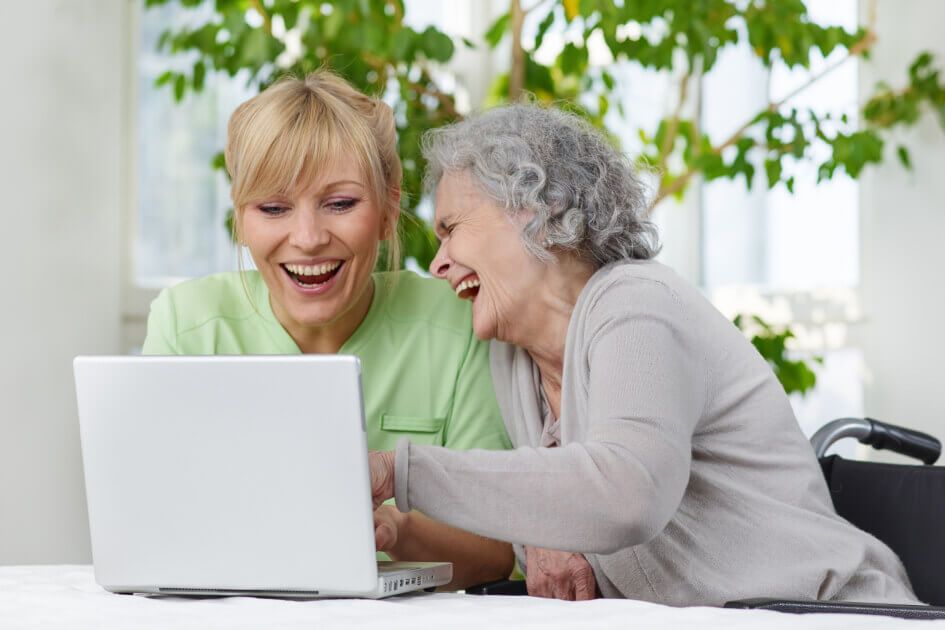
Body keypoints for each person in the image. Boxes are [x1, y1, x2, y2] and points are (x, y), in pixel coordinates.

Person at [368, 103, 919, 605]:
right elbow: (554, 500)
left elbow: (626, 495)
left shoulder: (635, 304)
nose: (437, 264)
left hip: (825, 612)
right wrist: (544, 535)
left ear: (542, 209)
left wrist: (402, 471)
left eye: (451, 229)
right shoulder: (511, 362)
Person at [141, 72, 514, 589]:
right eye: (273, 208)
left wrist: (393, 530)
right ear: (241, 218)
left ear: (388, 207)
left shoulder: (456, 321)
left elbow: (495, 553)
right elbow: (153, 531)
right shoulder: (185, 324)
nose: (309, 238)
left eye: (340, 204)